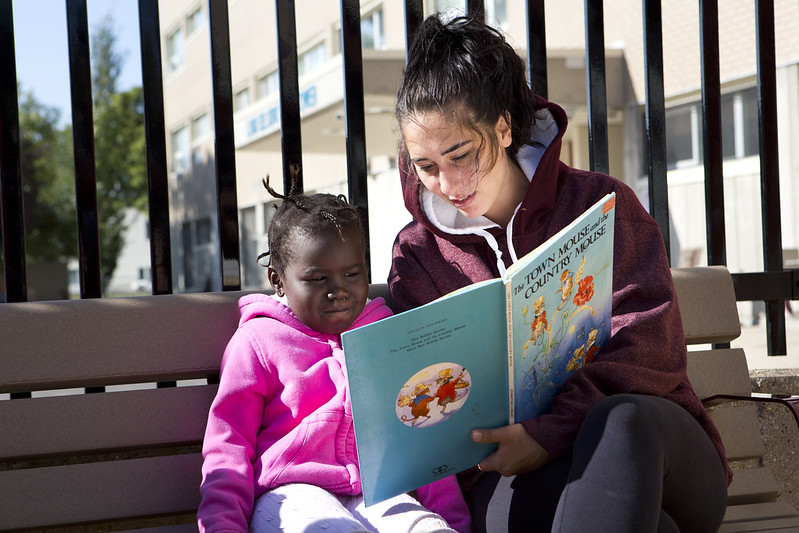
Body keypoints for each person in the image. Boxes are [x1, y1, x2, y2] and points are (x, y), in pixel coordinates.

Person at [388, 14, 731, 533]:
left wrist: (550, 429)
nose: (448, 183)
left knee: (621, 423)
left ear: (503, 128)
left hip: (657, 451)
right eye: (427, 166)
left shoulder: (598, 204)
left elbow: (649, 347)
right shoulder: (418, 255)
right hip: (508, 473)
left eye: (461, 154)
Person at [198, 175, 470, 532]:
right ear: (277, 280)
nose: (338, 290)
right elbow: (228, 448)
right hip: (289, 495)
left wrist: (451, 522)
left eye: (352, 273)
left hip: (378, 492)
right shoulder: (257, 342)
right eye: (317, 278)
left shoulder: (385, 334)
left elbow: (420, 434)